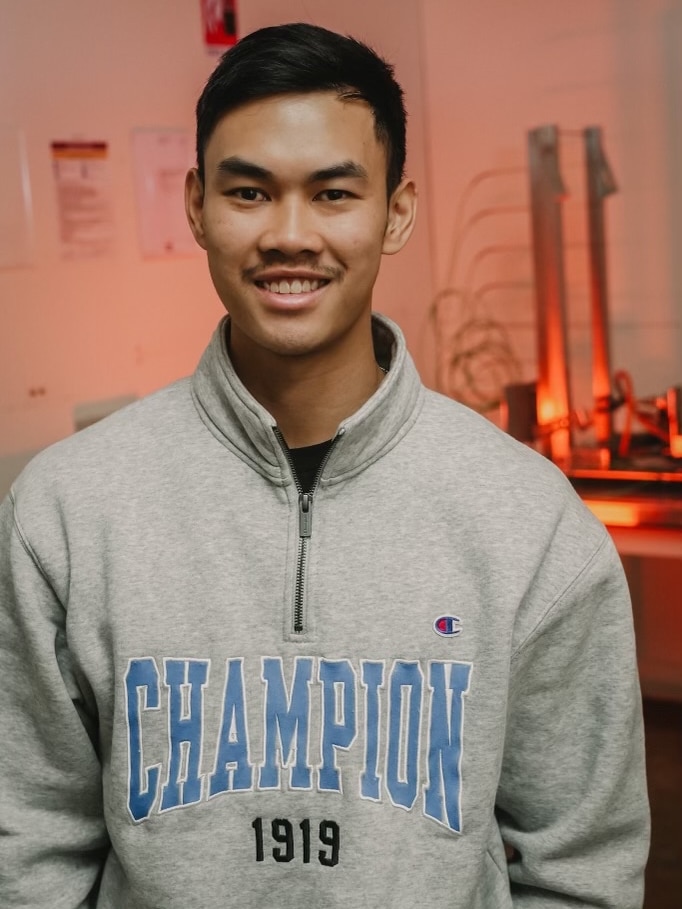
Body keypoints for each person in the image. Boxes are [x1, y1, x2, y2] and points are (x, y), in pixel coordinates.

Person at [0, 22, 649, 909]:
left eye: (335, 193)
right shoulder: (68, 509)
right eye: (250, 192)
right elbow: (29, 842)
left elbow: (581, 864)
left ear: (398, 211)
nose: (290, 235)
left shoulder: (527, 519)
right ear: (196, 206)